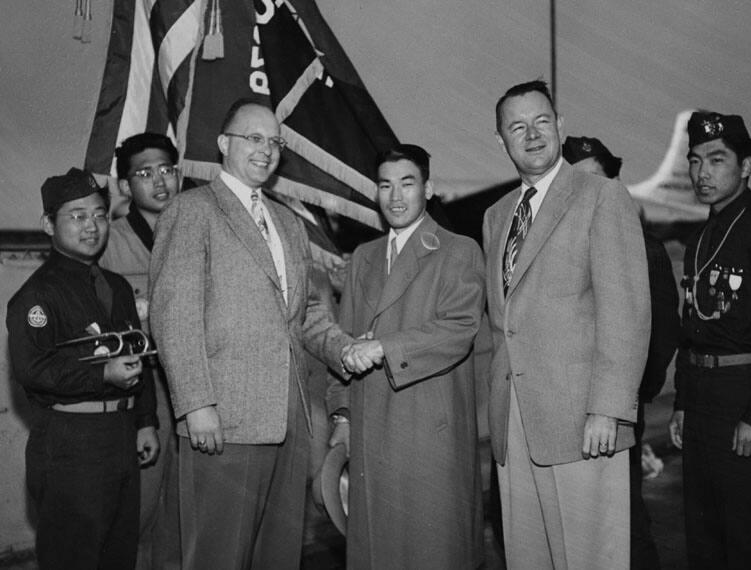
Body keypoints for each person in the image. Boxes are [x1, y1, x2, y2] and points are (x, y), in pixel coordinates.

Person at [149, 98, 365, 570]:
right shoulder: (193, 211)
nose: (266, 150)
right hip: (223, 419)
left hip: (288, 423)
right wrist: (195, 403)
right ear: (224, 144)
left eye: (274, 142)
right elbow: (173, 314)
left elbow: (303, 315)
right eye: (254, 138)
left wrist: (346, 349)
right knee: (216, 556)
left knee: (279, 555)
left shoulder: (286, 223)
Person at [483, 80, 650, 569]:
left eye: (541, 121)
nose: (532, 135)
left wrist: (608, 408)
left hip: (583, 421)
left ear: (560, 125)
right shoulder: (497, 215)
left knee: (591, 558)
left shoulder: (601, 194)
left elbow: (627, 310)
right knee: (527, 558)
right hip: (514, 424)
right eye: (517, 126)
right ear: (501, 141)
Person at [326, 144, 486, 569]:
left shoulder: (458, 250)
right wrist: (341, 418)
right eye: (385, 185)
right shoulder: (363, 257)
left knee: (430, 553)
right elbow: (343, 343)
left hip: (429, 435)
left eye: (407, 183)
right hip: (368, 434)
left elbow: (459, 329)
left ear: (428, 189)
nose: (395, 196)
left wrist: (383, 347)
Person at [6, 168, 158, 569]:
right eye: (77, 216)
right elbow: (33, 370)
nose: (91, 226)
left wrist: (145, 421)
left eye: (99, 215)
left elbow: (138, 354)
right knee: (72, 557)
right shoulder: (37, 296)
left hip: (122, 440)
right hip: (71, 444)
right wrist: (100, 375)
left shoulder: (118, 287)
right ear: (48, 224)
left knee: (118, 555)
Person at [668, 111, 751, 569]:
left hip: (744, 401)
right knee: (704, 541)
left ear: (745, 166)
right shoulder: (701, 238)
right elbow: (692, 331)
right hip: (703, 403)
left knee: (748, 541)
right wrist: (683, 402)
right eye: (696, 160)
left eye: (717, 160)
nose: (703, 173)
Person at [563, 135, 681, 570]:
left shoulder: (643, 247)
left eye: (596, 181)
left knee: (624, 525)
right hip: (563, 411)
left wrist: (627, 399)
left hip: (616, 413)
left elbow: (662, 334)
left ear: (614, 184)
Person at [99, 132, 181, 570]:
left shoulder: (198, 233)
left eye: (167, 170)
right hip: (139, 392)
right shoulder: (108, 243)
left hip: (192, 388)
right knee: (137, 511)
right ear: (126, 185)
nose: (160, 182)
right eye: (145, 173)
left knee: (185, 514)